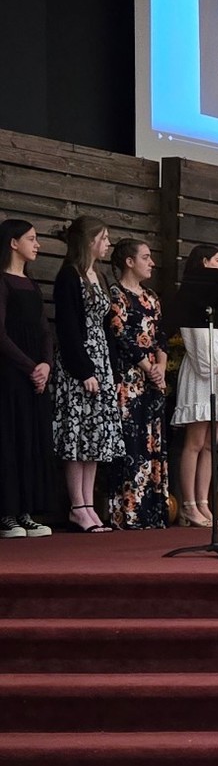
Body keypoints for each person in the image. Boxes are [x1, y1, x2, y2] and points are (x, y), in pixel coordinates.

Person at [52, 215, 124, 534]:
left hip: (101, 360)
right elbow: (68, 327)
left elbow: (106, 326)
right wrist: (83, 370)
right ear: (90, 240)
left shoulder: (100, 275)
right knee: (77, 433)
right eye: (104, 238)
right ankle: (77, 505)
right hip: (78, 363)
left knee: (94, 436)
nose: (107, 244)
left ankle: (89, 504)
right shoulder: (70, 276)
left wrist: (109, 371)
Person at [170, 245, 218, 528]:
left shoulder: (214, 299)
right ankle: (189, 504)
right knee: (194, 442)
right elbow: (198, 347)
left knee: (209, 445)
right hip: (203, 374)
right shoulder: (191, 297)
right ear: (204, 263)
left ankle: (203, 502)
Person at [105, 238, 169, 529]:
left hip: (153, 379)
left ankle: (152, 512)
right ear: (129, 262)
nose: (151, 262)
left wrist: (161, 368)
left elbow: (161, 336)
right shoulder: (116, 294)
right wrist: (147, 367)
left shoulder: (152, 297)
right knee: (132, 443)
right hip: (129, 379)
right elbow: (120, 334)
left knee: (153, 442)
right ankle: (128, 512)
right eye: (145, 257)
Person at [0, 219, 54, 539]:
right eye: (31, 239)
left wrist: (46, 365)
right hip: (10, 373)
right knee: (10, 438)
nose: (37, 244)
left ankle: (25, 510)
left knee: (31, 440)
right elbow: (0, 334)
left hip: (35, 375)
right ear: (13, 243)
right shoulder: (2, 282)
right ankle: (6, 513)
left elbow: (45, 331)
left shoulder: (32, 284)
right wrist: (30, 366)